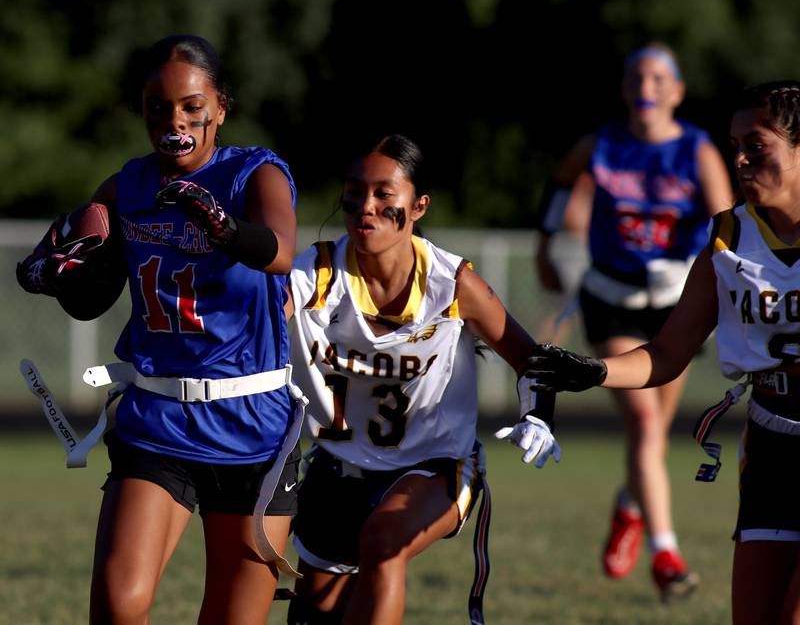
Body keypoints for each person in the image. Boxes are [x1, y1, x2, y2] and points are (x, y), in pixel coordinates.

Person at [16, 34, 302, 624]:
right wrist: (55, 276)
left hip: (252, 423)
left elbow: (279, 252)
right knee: (119, 607)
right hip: (159, 418)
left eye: (192, 107)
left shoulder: (255, 173)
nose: (175, 121)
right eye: (158, 108)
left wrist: (224, 229)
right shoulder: (126, 187)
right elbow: (92, 300)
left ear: (220, 107)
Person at [527, 80, 800, 624]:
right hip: (772, 439)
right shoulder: (728, 236)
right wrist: (593, 371)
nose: (740, 159)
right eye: (735, 145)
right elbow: (668, 352)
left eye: (757, 145)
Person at [284, 134, 559, 625]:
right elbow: (261, 318)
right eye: (355, 192)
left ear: (418, 206)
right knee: (313, 617)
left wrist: (539, 415)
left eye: (383, 194)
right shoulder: (319, 270)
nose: (365, 206)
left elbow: (529, 359)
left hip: (434, 463)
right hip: (340, 464)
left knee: (384, 544)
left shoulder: (452, 284)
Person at [534, 41, 733, 599]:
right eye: (636, 78)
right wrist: (546, 244)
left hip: (676, 304)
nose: (646, 88)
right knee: (645, 426)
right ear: (624, 89)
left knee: (654, 435)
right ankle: (666, 555)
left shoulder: (697, 151)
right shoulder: (600, 143)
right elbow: (559, 185)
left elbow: (726, 224)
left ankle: (629, 506)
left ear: (676, 90)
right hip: (610, 298)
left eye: (657, 78)